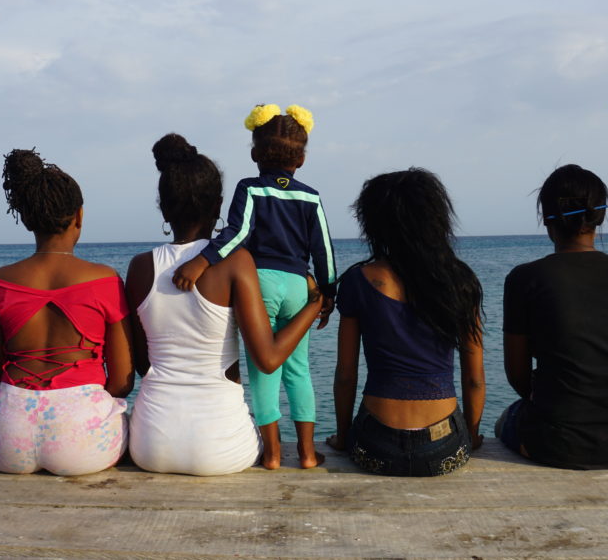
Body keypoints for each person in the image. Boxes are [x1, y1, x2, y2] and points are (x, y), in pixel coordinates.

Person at [126, 133, 324, 476]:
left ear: (163, 205)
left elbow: (143, 364)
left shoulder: (140, 267)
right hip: (222, 449)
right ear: (219, 205)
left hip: (149, 446)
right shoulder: (236, 263)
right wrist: (314, 305)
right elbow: (268, 359)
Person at [171, 105, 336, 469]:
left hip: (260, 283)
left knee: (263, 371)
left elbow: (237, 234)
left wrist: (203, 260)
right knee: (299, 369)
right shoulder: (310, 197)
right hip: (298, 286)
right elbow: (323, 248)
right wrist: (328, 294)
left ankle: (273, 454)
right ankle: (308, 453)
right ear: (302, 160)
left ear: (254, 154)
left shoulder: (250, 188)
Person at [0, 149, 133, 476]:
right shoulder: (105, 280)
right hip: (81, 442)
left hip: (6, 442)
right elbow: (121, 381)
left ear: (29, 220)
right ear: (79, 216)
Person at [326, 168, 484, 477]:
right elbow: (475, 378)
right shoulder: (460, 281)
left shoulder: (359, 281)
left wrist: (344, 437)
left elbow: (346, 375)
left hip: (375, 447)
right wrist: (473, 436)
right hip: (444, 448)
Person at [497, 165, 608, 470]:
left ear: (545, 219)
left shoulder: (524, 279)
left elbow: (517, 374)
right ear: (601, 216)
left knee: (509, 417)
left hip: (556, 445)